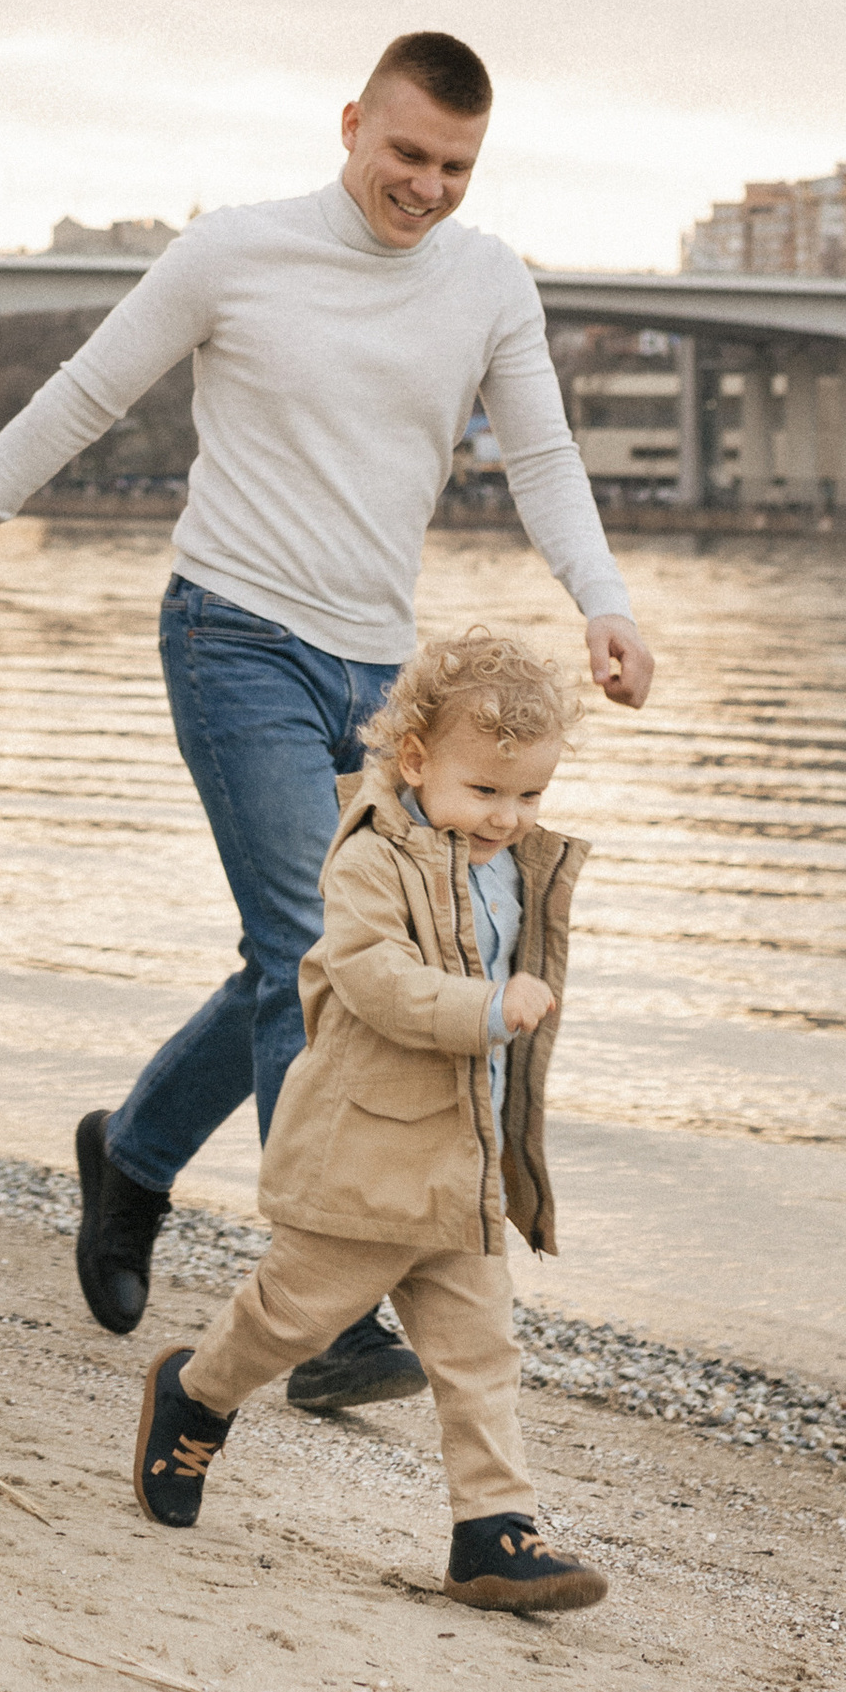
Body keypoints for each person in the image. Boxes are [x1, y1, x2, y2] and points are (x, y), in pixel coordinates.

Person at [0, 28, 652, 1413]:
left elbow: (541, 454)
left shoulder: (486, 281)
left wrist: (603, 600)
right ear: (352, 124)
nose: (426, 187)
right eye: (405, 154)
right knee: (309, 945)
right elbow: (84, 396)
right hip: (233, 632)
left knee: (311, 953)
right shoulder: (233, 253)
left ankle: (137, 1153)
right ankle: (333, 1298)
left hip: (381, 676)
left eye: (455, 166)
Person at [130, 626, 604, 1613]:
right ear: (417, 760)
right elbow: (378, 982)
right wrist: (483, 1011)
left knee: (479, 1358)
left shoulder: (513, 865)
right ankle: (197, 1392)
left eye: (530, 796)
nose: (509, 818)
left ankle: (491, 1532)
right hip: (366, 1159)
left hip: (461, 1166)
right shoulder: (367, 860)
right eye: (486, 792)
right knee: (288, 1322)